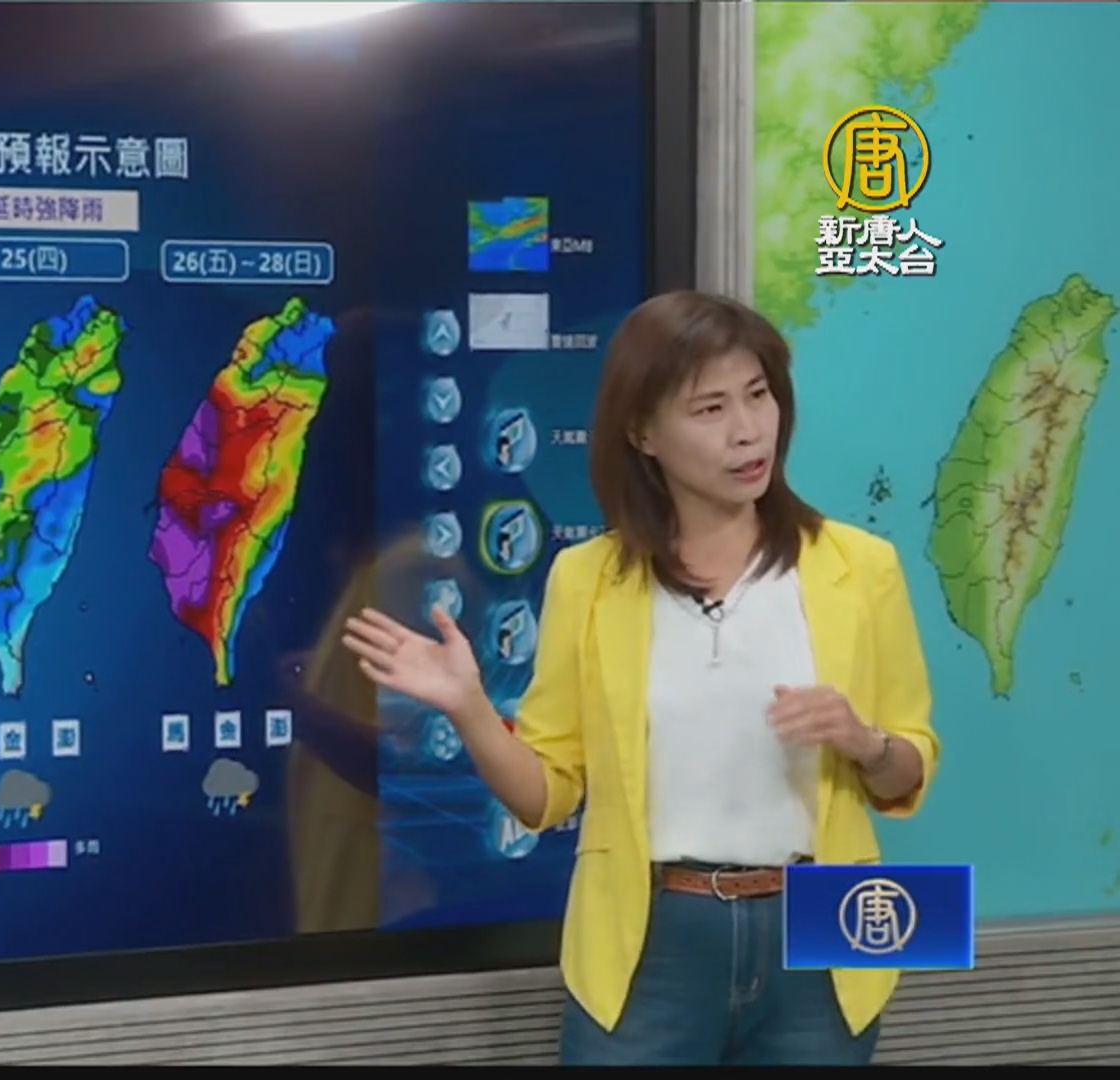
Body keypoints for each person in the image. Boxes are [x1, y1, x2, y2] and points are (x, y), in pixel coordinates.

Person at [342, 290, 940, 1065]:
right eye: (711, 408)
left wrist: (865, 742)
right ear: (643, 433)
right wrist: (468, 706)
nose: (747, 429)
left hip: (822, 928)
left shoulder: (860, 568)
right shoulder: (588, 580)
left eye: (758, 395)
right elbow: (547, 794)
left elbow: (907, 773)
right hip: (650, 936)